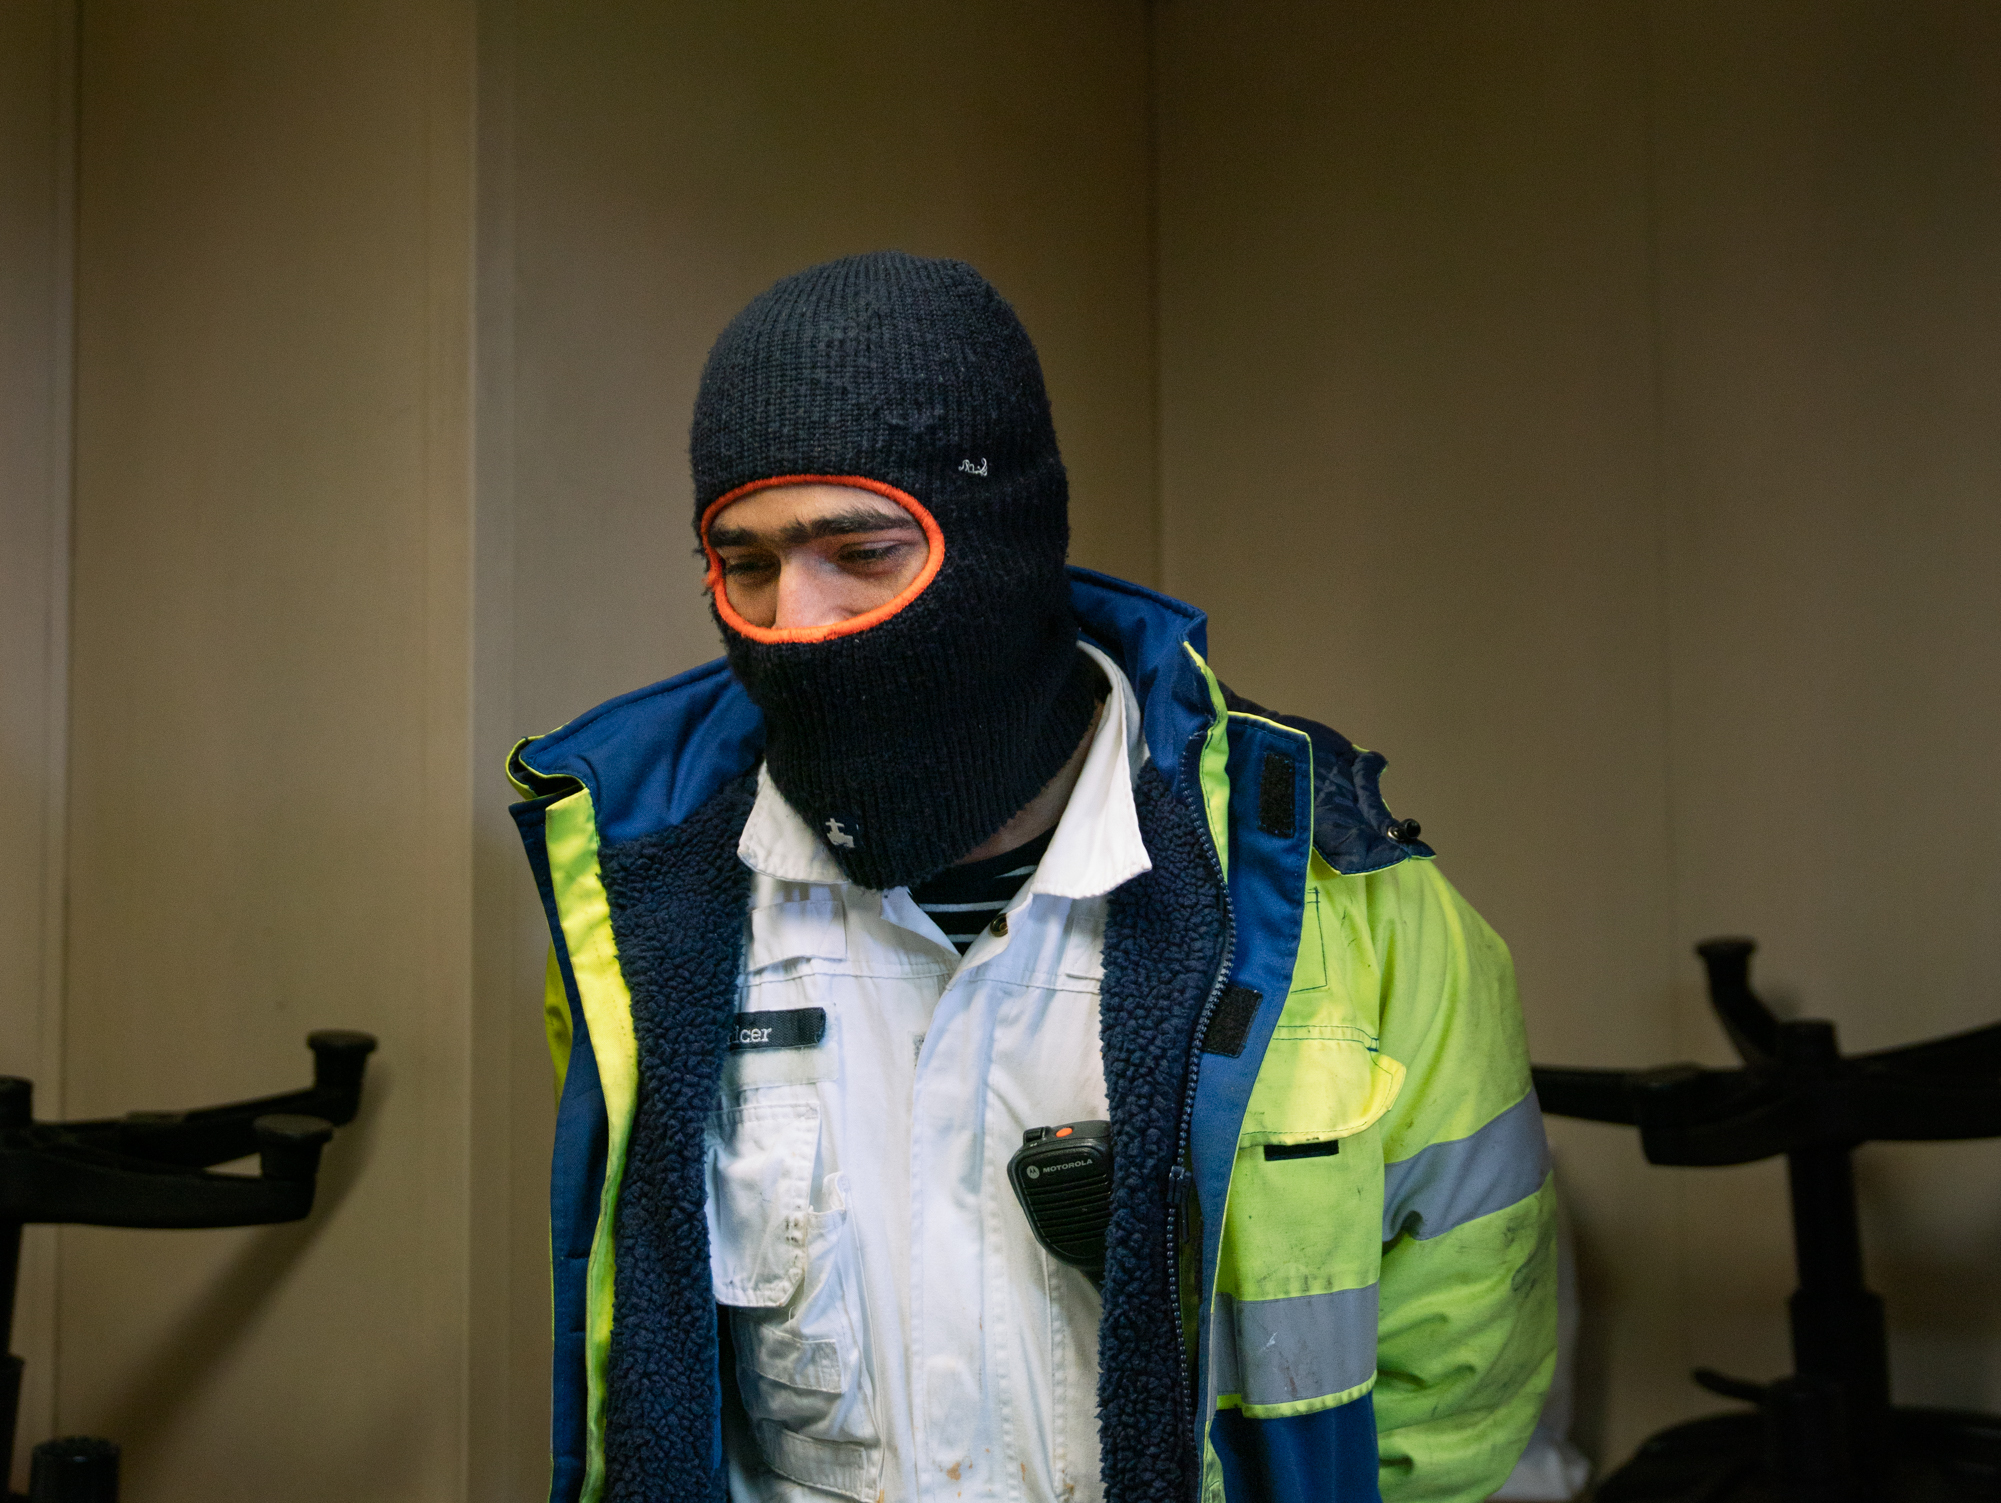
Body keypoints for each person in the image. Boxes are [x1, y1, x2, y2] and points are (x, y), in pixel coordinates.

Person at [508, 251, 1557, 1503]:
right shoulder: (647, 918)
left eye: (861, 550)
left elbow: (1461, 1397)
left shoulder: (1343, 907)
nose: (794, 619)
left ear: (1007, 548)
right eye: (747, 565)